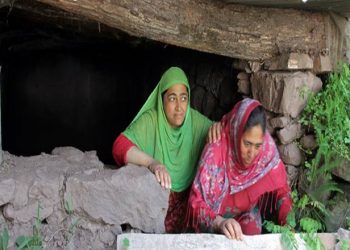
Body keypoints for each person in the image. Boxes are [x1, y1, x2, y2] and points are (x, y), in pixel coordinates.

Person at [112, 66, 220, 233]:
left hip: (188, 207)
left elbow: (228, 134)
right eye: (172, 99)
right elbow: (119, 146)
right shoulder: (151, 120)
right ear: (162, 99)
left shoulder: (195, 121)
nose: (179, 107)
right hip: (156, 209)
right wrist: (153, 163)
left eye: (183, 98)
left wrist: (220, 127)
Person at [187, 98, 292, 240]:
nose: (252, 153)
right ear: (236, 133)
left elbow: (282, 193)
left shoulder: (267, 149)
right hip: (215, 221)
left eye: (257, 145)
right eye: (247, 143)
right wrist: (220, 222)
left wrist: (289, 226)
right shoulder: (216, 151)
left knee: (252, 230)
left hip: (246, 213)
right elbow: (196, 203)